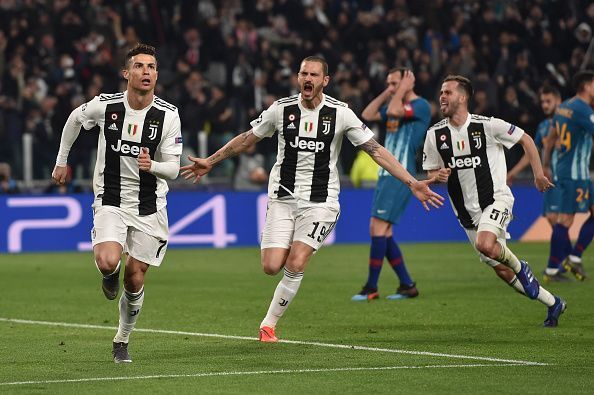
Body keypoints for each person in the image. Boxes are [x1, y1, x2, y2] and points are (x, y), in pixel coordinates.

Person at [181, 56, 444, 342]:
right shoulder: (281, 110)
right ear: (298, 77)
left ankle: (268, 326)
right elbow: (247, 138)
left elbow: (375, 150)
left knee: (297, 261)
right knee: (271, 266)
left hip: (321, 202)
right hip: (282, 198)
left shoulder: (340, 113)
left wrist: (412, 182)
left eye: (314, 75)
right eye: (303, 73)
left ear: (325, 80)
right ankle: (284, 248)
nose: (308, 79)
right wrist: (212, 160)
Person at [52, 43, 183, 362]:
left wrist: (153, 166)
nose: (146, 72)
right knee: (110, 262)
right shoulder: (106, 106)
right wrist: (61, 161)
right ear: (127, 73)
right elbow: (73, 119)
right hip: (110, 199)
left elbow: (174, 169)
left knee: (135, 276)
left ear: (157, 74)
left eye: (151, 67)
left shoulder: (168, 115)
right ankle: (108, 274)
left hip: (150, 206)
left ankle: (121, 340)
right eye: (139, 66)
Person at [423, 75, 566, 327]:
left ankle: (522, 266)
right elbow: (431, 173)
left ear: (463, 97)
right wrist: (438, 176)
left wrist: (538, 174)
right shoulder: (435, 135)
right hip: (466, 215)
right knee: (501, 270)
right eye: (441, 92)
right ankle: (553, 302)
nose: (442, 96)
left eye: (448, 92)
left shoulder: (487, 126)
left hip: (496, 200)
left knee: (486, 244)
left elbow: (526, 139)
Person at [351, 68, 431, 301]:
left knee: (377, 228)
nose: (391, 88)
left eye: (394, 83)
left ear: (408, 83)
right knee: (382, 231)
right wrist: (389, 91)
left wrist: (402, 90)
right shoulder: (395, 104)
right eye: (388, 84)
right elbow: (367, 113)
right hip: (386, 174)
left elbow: (395, 109)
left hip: (402, 173)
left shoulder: (421, 106)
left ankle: (371, 287)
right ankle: (407, 285)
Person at [506, 85, 569, 282]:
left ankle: (562, 262)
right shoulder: (543, 126)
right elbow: (530, 154)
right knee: (554, 219)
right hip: (550, 180)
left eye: (549, 101)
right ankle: (564, 260)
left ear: (558, 100)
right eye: (542, 102)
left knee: (557, 219)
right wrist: (513, 173)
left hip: (565, 178)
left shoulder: (568, 121)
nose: (545, 105)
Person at [546, 70, 594, 282]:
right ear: (586, 86)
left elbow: (550, 139)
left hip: (568, 171)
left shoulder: (563, 107)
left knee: (567, 218)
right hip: (575, 174)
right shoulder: (583, 110)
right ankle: (554, 268)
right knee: (565, 220)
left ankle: (572, 257)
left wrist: (546, 163)